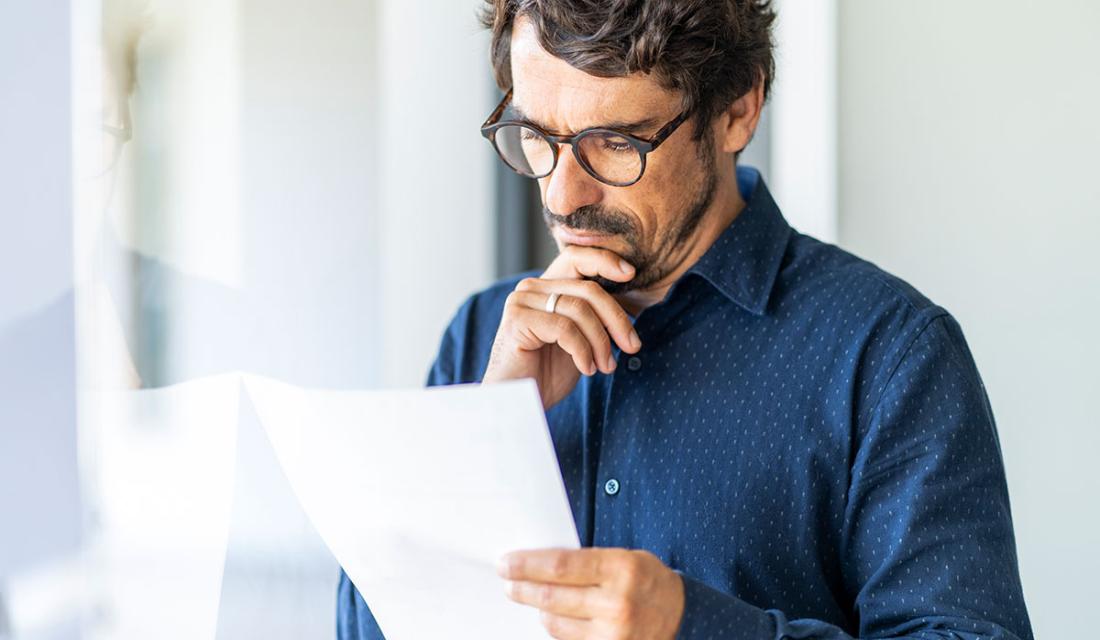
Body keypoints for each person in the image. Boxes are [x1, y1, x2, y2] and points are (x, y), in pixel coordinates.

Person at [338, 1, 1033, 638]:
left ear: (737, 109)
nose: (561, 195)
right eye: (536, 135)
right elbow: (363, 626)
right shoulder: (483, 335)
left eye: (615, 142)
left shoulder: (890, 353)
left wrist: (691, 626)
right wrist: (484, 427)